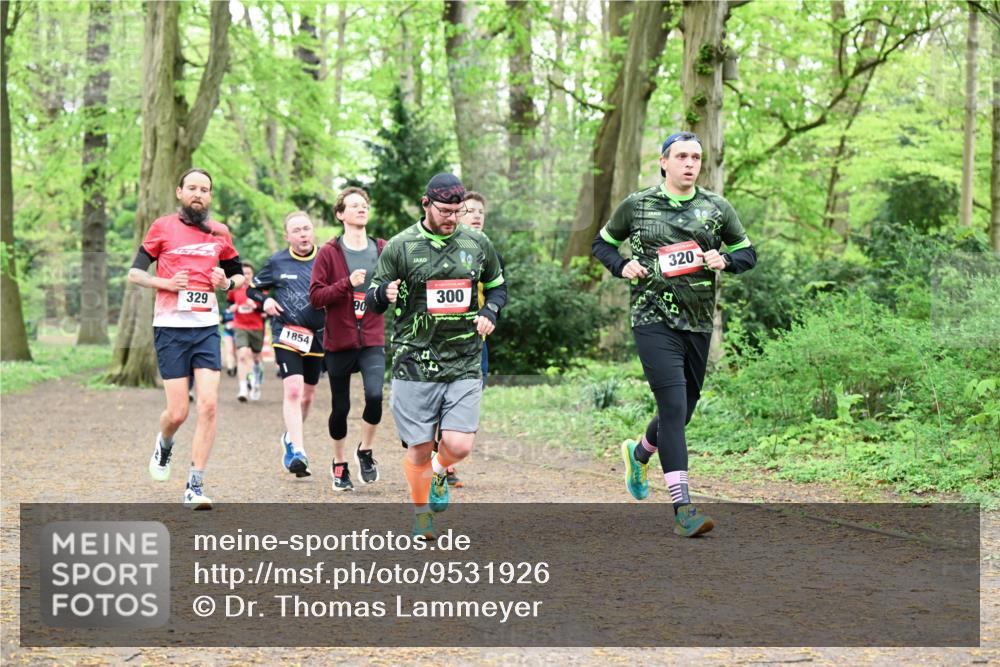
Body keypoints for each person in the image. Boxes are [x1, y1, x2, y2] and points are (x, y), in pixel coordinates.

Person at [592, 131, 757, 537]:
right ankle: (684, 508)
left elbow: (748, 253)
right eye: (681, 156)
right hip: (652, 320)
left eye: (696, 157)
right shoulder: (639, 204)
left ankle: (640, 452)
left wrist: (725, 259)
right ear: (664, 162)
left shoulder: (716, 209)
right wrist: (622, 265)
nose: (690, 163)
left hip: (698, 323)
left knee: (682, 412)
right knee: (671, 407)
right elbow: (603, 244)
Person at [366, 173, 506, 540]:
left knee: (459, 444)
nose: (452, 218)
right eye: (445, 211)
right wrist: (385, 295)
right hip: (415, 362)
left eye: (458, 212)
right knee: (418, 447)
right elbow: (371, 298)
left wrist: (490, 312)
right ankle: (421, 511)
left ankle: (441, 470)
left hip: (464, 358)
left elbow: (497, 286)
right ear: (426, 204)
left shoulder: (477, 243)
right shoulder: (399, 246)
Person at [129, 167, 246, 509]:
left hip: (206, 328)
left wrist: (228, 283)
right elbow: (136, 273)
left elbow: (238, 275)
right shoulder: (162, 227)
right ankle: (164, 442)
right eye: (192, 188)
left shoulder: (219, 232)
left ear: (210, 196)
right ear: (179, 192)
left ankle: (195, 485)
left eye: (205, 189)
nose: (198, 194)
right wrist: (164, 284)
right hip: (170, 328)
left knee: (208, 405)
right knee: (178, 412)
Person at [309, 188, 386, 492]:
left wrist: (387, 294)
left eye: (365, 205)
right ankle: (339, 464)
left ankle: (365, 451)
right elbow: (316, 297)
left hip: (371, 337)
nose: (361, 209)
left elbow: (393, 287)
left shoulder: (382, 248)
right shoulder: (329, 252)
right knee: (340, 407)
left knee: (376, 396)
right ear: (340, 214)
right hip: (339, 340)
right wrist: (346, 284)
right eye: (354, 205)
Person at [247, 211, 326, 478]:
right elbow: (251, 289)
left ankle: (290, 437)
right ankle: (299, 452)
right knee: (293, 389)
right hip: (287, 334)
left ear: (313, 231)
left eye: (306, 228)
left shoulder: (327, 258)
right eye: (296, 230)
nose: (303, 234)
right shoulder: (277, 261)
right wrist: (264, 301)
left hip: (318, 335)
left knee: (307, 396)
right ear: (287, 236)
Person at [228, 260, 265, 402]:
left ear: (252, 274)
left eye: (248, 273)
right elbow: (230, 302)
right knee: (242, 355)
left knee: (256, 358)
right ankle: (243, 388)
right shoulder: (235, 289)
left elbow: (265, 307)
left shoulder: (259, 288)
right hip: (240, 325)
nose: (246, 276)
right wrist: (233, 307)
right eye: (243, 273)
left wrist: (255, 306)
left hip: (257, 327)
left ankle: (256, 383)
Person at [221, 309, 237, 377]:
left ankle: (236, 365)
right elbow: (222, 321)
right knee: (229, 350)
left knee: (235, 352)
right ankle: (230, 368)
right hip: (227, 332)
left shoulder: (238, 309)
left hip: (238, 333)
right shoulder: (225, 311)